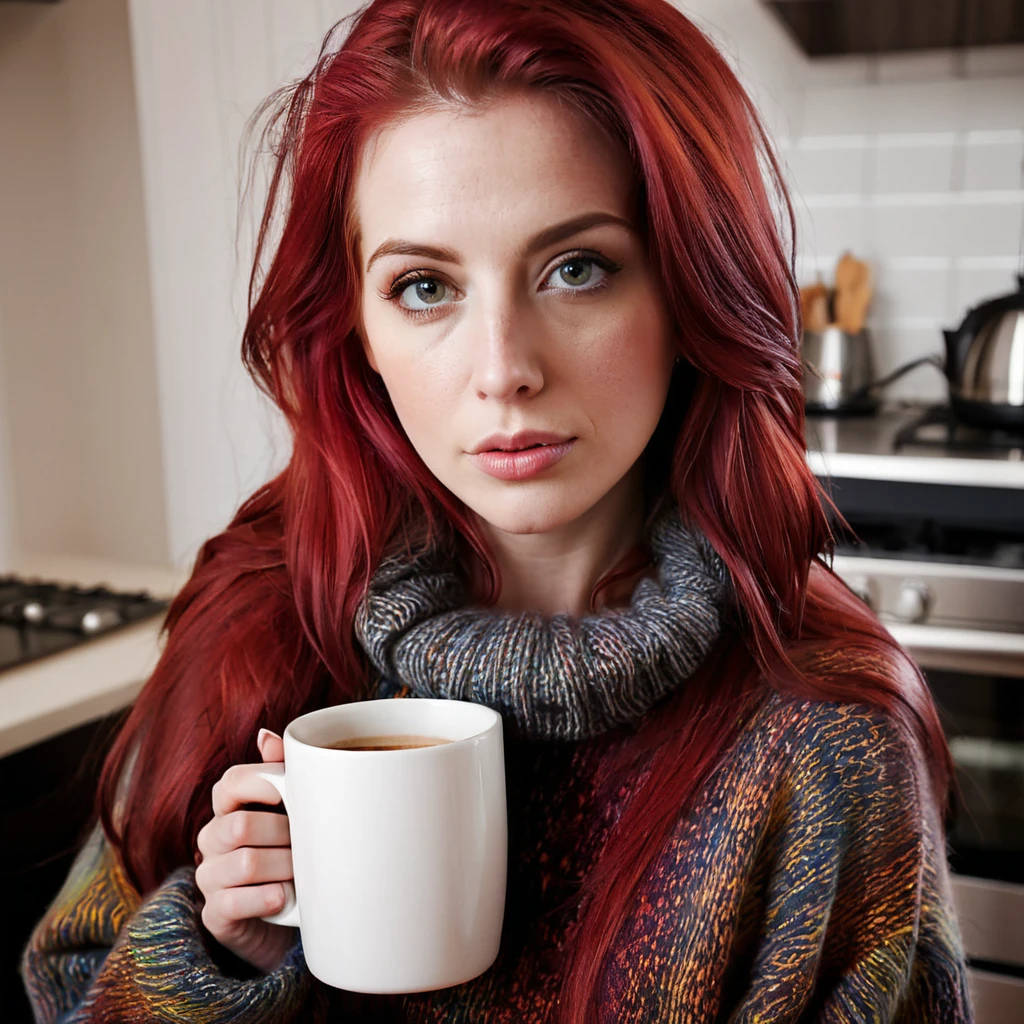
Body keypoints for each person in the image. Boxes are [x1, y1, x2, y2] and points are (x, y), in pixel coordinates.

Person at [21, 0, 974, 1021]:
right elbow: (62, 987)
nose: (502, 369)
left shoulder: (823, 735)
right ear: (359, 332)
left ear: (689, 293)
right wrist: (212, 953)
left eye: (577, 269)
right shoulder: (253, 619)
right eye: (425, 285)